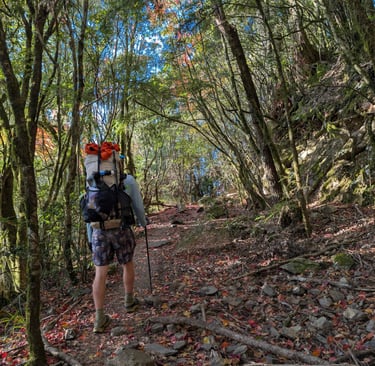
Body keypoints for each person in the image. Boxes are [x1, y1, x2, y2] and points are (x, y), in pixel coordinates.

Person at [88, 173, 147, 333]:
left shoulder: (91, 180)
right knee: (127, 264)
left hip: (98, 232)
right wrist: (143, 222)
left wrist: (90, 238)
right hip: (121, 229)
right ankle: (129, 301)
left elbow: (90, 211)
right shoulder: (127, 180)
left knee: (100, 273)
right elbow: (137, 204)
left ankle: (99, 318)